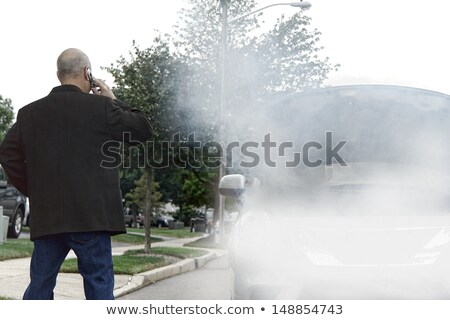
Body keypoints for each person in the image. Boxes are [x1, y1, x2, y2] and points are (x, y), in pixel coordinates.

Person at [0, 48, 152, 300]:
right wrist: (112, 100)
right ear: (87, 73)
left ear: (58, 74)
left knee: (40, 285)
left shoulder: (29, 113)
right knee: (98, 283)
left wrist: (34, 188)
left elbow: (6, 153)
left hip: (48, 216)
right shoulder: (102, 108)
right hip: (91, 217)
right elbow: (142, 129)